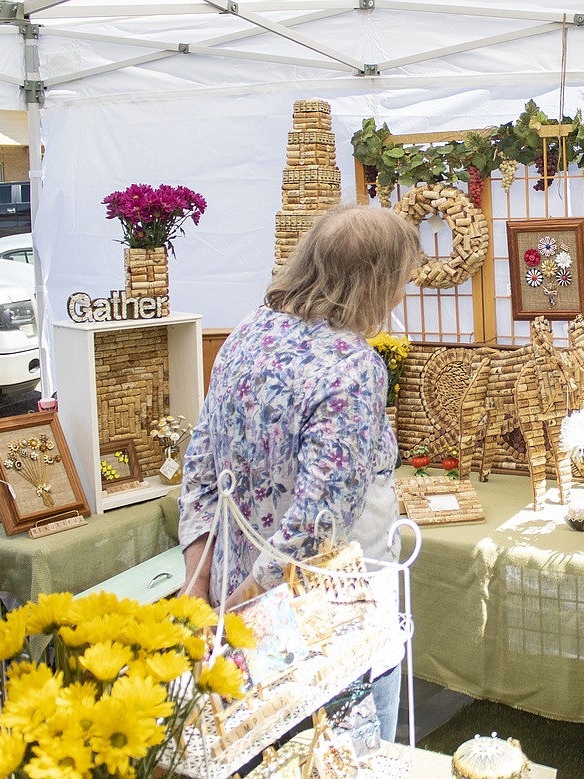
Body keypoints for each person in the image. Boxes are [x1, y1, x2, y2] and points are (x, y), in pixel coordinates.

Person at [178, 204, 422, 741]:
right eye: (402, 279)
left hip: (233, 583)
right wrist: (244, 606)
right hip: (316, 607)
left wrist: (202, 580)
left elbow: (200, 461)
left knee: (256, 743)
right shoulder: (351, 364)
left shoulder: (249, 331)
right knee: (341, 750)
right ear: (376, 281)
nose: (403, 292)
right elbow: (319, 521)